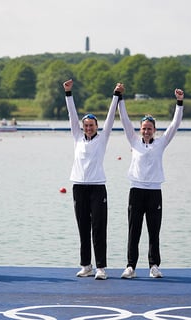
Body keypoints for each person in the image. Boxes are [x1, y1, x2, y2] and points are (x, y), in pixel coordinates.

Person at [119, 87, 184, 279]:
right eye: (144, 128)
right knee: (134, 231)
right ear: (140, 130)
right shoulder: (133, 141)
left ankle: (154, 265)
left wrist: (179, 102)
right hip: (136, 191)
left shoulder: (161, 143)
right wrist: (120, 98)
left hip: (154, 191)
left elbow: (175, 124)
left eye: (150, 128)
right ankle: (130, 266)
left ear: (155, 130)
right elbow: (124, 120)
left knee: (154, 231)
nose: (146, 131)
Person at [63, 79, 121, 280]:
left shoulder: (102, 138)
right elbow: (72, 115)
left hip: (97, 187)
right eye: (86, 125)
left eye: (91, 125)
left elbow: (112, 117)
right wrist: (68, 93)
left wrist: (116, 95)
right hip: (79, 186)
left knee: (98, 227)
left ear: (97, 126)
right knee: (83, 227)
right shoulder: (77, 137)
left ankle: (101, 267)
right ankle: (86, 265)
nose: (88, 128)